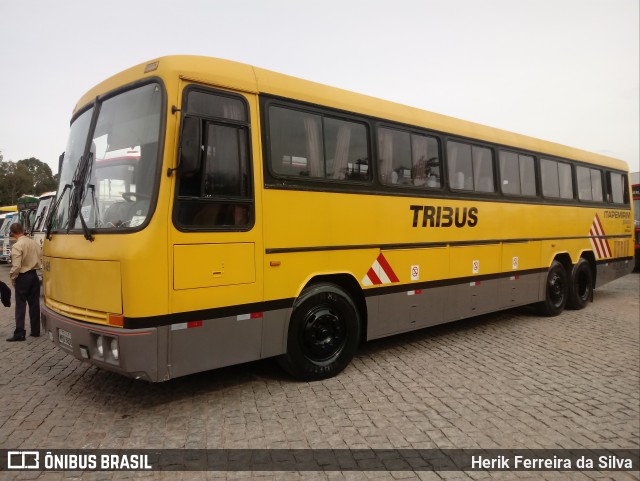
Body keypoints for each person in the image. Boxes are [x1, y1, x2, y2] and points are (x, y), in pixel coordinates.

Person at [6, 223, 41, 342]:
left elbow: (16, 266)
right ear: (22, 230)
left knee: (20, 305)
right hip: (34, 275)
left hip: (23, 277)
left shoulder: (17, 245)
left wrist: (13, 278)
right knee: (34, 304)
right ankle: (36, 331)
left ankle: (20, 333)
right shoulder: (34, 243)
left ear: (13, 233)